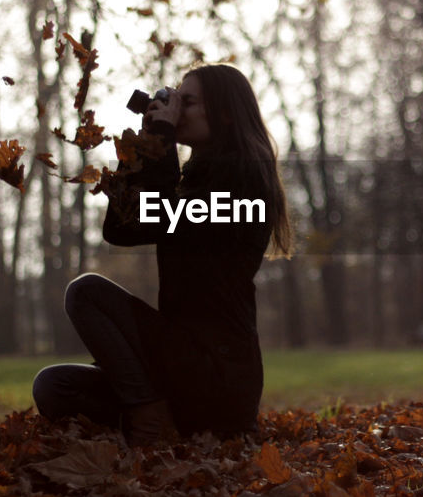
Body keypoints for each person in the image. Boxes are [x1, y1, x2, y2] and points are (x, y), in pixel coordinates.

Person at [31, 63, 291, 445]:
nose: (176, 111)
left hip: (216, 372)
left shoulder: (245, 180)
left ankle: (147, 413)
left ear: (224, 112)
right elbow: (121, 229)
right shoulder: (198, 176)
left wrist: (162, 137)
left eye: (187, 102)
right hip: (178, 361)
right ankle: (166, 421)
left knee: (86, 293)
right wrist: (146, 144)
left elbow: (158, 216)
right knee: (55, 385)